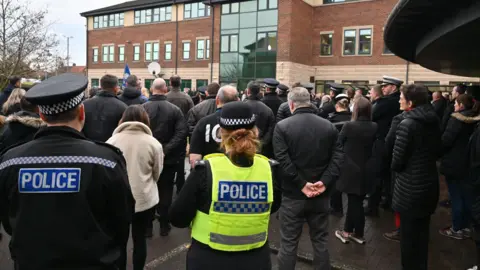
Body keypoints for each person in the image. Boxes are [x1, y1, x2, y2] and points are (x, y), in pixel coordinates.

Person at [0, 73, 134, 270]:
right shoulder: (106, 160)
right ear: (82, 112)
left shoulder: (10, 161)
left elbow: (8, 219)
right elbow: (122, 219)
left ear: (42, 115)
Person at [169, 101, 281, 270]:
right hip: (255, 259)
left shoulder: (206, 169)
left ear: (222, 133)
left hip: (208, 259)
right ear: (255, 132)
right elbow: (273, 206)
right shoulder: (269, 169)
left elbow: (178, 217)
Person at [273, 87, 343, 270]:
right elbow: (337, 158)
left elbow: (282, 159)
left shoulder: (282, 127)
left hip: (293, 195)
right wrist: (324, 182)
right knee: (320, 241)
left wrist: (301, 184)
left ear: (291, 104)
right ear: (310, 101)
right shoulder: (328, 126)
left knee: (288, 243)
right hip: (321, 194)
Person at [107, 105, 164, 270]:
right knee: (140, 240)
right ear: (145, 119)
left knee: (120, 241)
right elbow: (157, 173)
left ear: (122, 119)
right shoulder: (153, 143)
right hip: (144, 198)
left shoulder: (111, 142)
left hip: (118, 199)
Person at [391, 84, 441, 270]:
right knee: (422, 238)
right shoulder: (433, 119)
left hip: (409, 190)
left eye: (401, 97)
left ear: (410, 102)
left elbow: (397, 161)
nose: (399, 99)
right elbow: (438, 150)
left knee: (408, 241)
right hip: (429, 185)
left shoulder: (407, 124)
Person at [143, 78, 187, 236]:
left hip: (147, 157)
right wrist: (166, 149)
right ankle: (163, 223)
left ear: (152, 89)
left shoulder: (143, 109)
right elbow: (182, 132)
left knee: (148, 188)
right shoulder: (174, 110)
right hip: (168, 158)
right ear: (165, 89)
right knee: (166, 189)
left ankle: (148, 226)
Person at [334, 97, 378, 244]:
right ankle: (352, 231)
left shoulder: (349, 126)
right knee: (356, 201)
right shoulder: (374, 126)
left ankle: (352, 233)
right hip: (367, 169)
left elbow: (339, 144)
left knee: (354, 202)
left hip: (350, 168)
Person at [440, 94, 480, 240]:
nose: (454, 106)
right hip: (469, 163)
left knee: (456, 196)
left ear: (461, 105)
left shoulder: (456, 119)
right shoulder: (476, 119)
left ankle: (457, 228)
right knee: (466, 195)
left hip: (454, 163)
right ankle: (468, 226)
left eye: (456, 104)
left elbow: (446, 140)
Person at [365, 75, 403, 216]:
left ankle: (372, 207)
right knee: (387, 175)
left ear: (393, 87)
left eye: (385, 86)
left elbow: (371, 116)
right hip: (391, 142)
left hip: (382, 142)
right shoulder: (396, 101)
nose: (383, 89)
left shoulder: (386, 102)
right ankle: (387, 201)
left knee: (377, 174)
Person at [189, 85, 238, 167]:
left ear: (217, 100)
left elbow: (194, 157)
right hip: (237, 173)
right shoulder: (244, 123)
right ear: (237, 100)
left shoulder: (204, 122)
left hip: (209, 171)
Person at [166, 75, 193, 194]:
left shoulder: (165, 97)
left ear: (170, 83)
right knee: (180, 161)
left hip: (168, 133)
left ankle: (167, 185)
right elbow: (192, 113)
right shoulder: (186, 98)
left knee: (167, 159)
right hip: (182, 134)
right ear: (180, 83)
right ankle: (180, 187)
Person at [83, 74, 128, 142]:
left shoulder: (85, 105)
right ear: (116, 88)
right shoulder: (123, 107)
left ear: (101, 86)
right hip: (111, 148)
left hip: (87, 147)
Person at [327, 93, 352, 217]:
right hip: (349, 153)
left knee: (334, 180)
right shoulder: (353, 118)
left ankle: (336, 207)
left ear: (337, 105)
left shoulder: (331, 119)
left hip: (334, 153)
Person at [245, 81, 276, 158]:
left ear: (248, 91)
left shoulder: (240, 107)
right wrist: (261, 144)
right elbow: (271, 130)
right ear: (259, 91)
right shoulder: (267, 110)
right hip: (261, 150)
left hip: (243, 147)